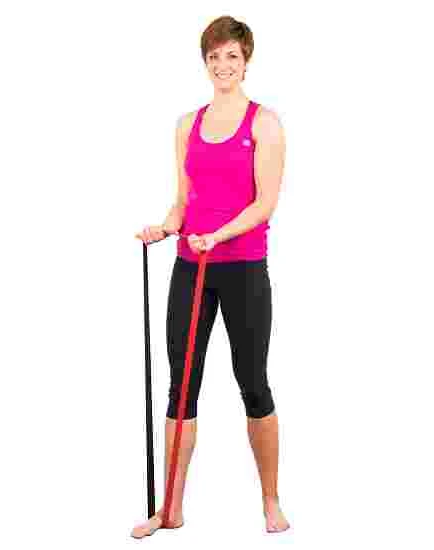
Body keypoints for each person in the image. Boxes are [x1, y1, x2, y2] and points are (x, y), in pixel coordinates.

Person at [132, 15, 289, 538]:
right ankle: (170, 508)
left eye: (232, 57)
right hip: (190, 266)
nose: (223, 65)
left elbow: (264, 203)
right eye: (214, 57)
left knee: (254, 384)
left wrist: (218, 235)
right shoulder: (186, 125)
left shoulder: (265, 124)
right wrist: (165, 227)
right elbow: (183, 201)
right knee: (181, 387)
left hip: (243, 269)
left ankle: (271, 501)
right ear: (206, 62)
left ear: (246, 62)